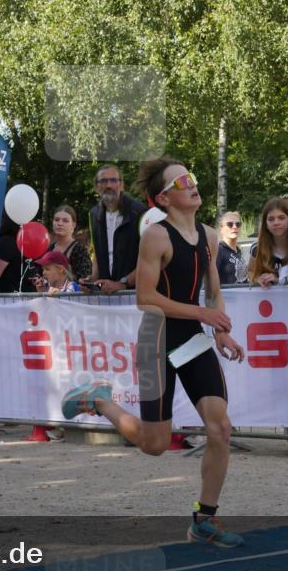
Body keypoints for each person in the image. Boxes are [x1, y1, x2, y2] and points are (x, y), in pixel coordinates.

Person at [61, 156, 246, 547]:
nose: (191, 184)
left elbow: (214, 292)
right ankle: (100, 401)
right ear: (163, 199)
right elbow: (145, 298)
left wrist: (220, 332)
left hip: (192, 339)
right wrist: (203, 314)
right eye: (180, 182)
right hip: (157, 338)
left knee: (221, 428)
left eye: (190, 177)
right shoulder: (156, 237)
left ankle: (204, 519)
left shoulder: (210, 236)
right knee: (155, 445)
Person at [248, 198, 288, 456]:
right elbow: (249, 279)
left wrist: (282, 278)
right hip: (272, 325)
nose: (276, 223)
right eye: (271, 219)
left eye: (281, 218)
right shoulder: (258, 250)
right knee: (280, 379)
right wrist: (259, 280)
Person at [85, 165, 147, 294]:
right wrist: (92, 280)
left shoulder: (140, 212)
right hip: (106, 295)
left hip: (135, 293)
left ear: (121, 185)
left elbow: (150, 258)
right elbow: (97, 253)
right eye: (103, 181)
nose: (108, 185)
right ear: (96, 187)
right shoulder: (93, 214)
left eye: (113, 180)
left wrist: (123, 283)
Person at [48, 205, 92, 283]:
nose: (60, 223)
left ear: (73, 225)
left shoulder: (79, 250)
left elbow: (85, 279)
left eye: (65, 221)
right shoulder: (49, 249)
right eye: (57, 220)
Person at [215, 211, 248, 285]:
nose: (235, 227)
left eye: (238, 224)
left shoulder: (239, 251)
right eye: (230, 224)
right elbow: (210, 281)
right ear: (221, 229)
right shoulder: (219, 250)